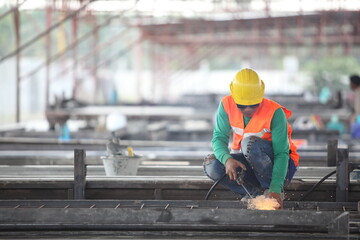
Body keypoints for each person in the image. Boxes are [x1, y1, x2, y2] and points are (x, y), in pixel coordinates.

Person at [203, 68, 299, 209]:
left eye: (253, 104)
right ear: (234, 96)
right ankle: (256, 196)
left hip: (279, 169)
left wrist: (276, 189)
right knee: (211, 165)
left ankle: (269, 192)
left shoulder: (275, 112)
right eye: (241, 105)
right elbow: (218, 138)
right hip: (249, 165)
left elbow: (281, 154)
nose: (248, 109)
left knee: (249, 143)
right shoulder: (226, 105)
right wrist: (227, 159)